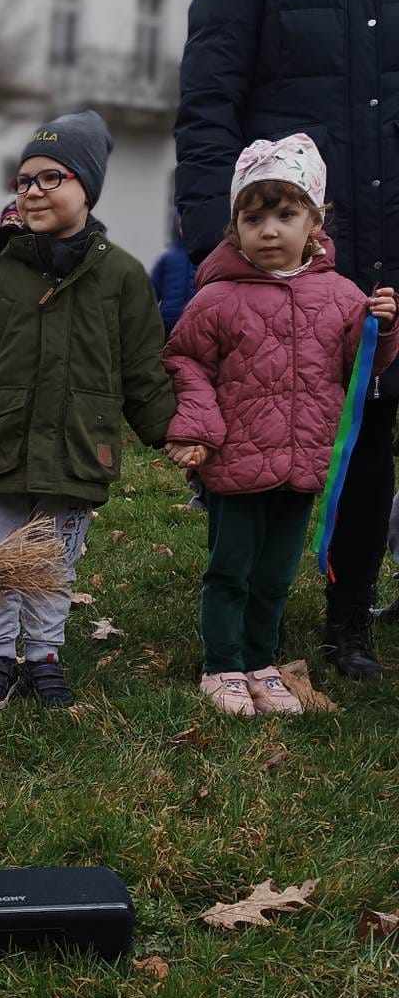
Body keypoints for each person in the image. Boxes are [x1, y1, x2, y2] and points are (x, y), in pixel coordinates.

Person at [175, 0, 399, 681]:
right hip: (293, 248)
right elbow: (209, 107)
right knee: (303, 426)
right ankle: (289, 616)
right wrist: (208, 242)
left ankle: (353, 612)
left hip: (392, 235)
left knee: (381, 421)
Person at [0, 110, 177, 709]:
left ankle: (44, 653)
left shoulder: (123, 276)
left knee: (54, 563)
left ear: (86, 185)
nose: (31, 191)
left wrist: (174, 435)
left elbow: (142, 368)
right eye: (23, 180)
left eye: (49, 178)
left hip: (77, 448)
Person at [163, 135, 398, 715]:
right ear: (235, 225)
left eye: (285, 215)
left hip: (303, 463)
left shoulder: (342, 296)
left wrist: (381, 330)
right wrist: (197, 425)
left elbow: (357, 363)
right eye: (253, 217)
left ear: (316, 220)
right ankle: (222, 664)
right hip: (238, 459)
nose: (269, 230)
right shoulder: (217, 299)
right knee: (231, 569)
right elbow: (184, 359)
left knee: (274, 573)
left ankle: (261, 660)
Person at [151, 219, 195, 336]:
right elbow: (151, 293)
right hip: (168, 323)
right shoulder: (167, 258)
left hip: (192, 323)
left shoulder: (202, 257)